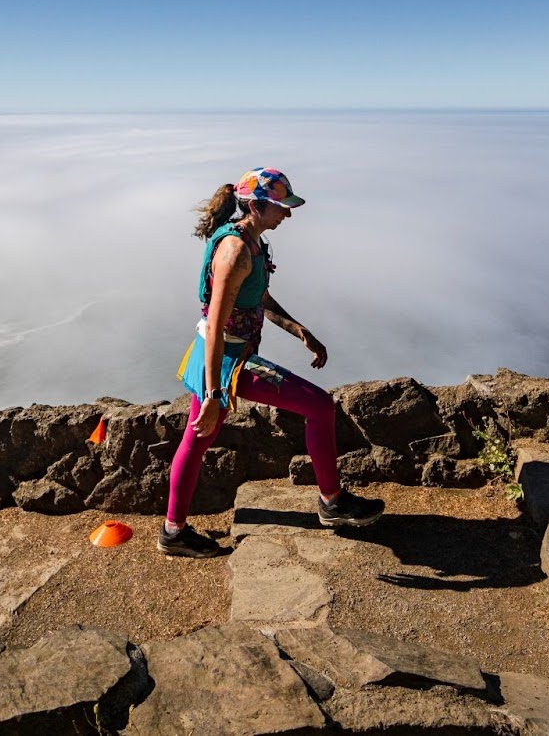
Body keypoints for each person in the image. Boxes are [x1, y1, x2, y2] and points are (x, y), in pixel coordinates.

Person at [158, 167, 384, 558]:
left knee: (196, 441)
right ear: (256, 206)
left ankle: (173, 531)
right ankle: (332, 502)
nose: (288, 214)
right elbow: (216, 326)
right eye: (281, 207)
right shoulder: (235, 252)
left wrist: (299, 330)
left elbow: (257, 297)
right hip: (226, 363)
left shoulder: (251, 242)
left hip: (225, 356)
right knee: (319, 406)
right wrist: (213, 394)